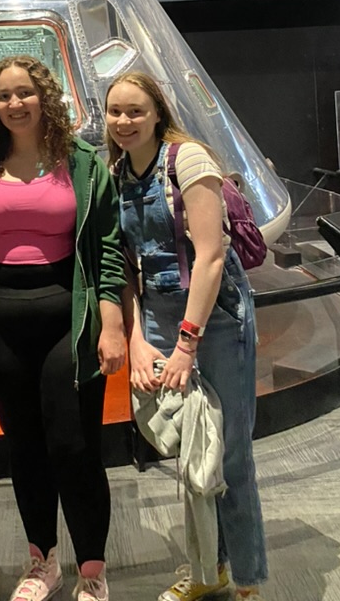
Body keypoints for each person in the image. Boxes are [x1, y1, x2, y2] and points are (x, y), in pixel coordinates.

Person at [0, 55, 127, 601]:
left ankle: (92, 571)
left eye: (24, 93)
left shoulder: (85, 162)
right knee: (23, 446)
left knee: (73, 447)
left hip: (67, 321)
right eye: (3, 95)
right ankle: (41, 561)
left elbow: (109, 249)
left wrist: (111, 323)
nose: (14, 104)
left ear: (45, 97)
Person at [105, 72, 267, 601]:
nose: (124, 122)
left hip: (213, 316)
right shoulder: (117, 173)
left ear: (157, 114)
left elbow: (211, 257)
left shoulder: (188, 161)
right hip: (156, 313)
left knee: (232, 450)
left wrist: (187, 343)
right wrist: (137, 337)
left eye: (135, 111)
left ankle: (245, 578)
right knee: (193, 446)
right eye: (115, 112)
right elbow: (124, 264)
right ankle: (207, 568)